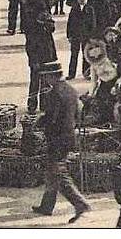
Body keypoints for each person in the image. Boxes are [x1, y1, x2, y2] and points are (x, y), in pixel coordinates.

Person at [33, 60, 91, 221]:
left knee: (58, 172)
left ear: (51, 76)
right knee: (52, 171)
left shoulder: (54, 94)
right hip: (69, 136)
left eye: (45, 77)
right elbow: (79, 111)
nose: (44, 80)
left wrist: (40, 122)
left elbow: (53, 118)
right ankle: (46, 205)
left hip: (57, 138)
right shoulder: (71, 90)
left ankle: (80, 203)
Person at [24, 8, 57, 115]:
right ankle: (32, 105)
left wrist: (47, 22)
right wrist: (34, 61)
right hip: (37, 60)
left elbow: (52, 28)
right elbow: (30, 47)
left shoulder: (46, 28)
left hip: (47, 58)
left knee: (46, 82)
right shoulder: (32, 30)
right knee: (35, 82)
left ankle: (45, 105)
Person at [67, 0, 96, 80]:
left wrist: (91, 36)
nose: (81, 0)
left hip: (86, 36)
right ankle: (71, 74)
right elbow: (70, 23)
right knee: (74, 55)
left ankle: (86, 73)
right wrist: (69, 35)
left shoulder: (90, 9)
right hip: (75, 35)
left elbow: (93, 23)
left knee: (86, 55)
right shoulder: (74, 9)